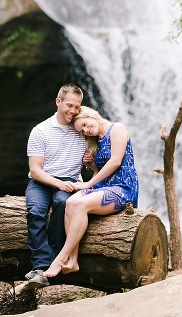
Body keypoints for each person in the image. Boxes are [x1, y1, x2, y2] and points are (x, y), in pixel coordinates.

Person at [42, 106, 139, 278]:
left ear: (92, 115)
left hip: (123, 188)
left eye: (85, 124)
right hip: (104, 187)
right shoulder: (98, 141)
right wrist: (92, 166)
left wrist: (88, 183)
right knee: (70, 203)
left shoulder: (118, 128)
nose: (86, 130)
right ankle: (73, 261)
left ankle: (60, 258)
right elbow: (103, 171)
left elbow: (116, 162)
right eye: (83, 130)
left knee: (81, 204)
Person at [23, 84, 87, 289]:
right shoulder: (40, 130)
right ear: (58, 102)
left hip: (70, 180)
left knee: (62, 203)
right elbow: (35, 170)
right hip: (42, 181)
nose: (73, 111)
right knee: (35, 211)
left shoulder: (81, 129)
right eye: (69, 105)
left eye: (77, 107)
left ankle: (54, 261)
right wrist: (60, 183)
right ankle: (41, 266)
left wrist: (90, 162)